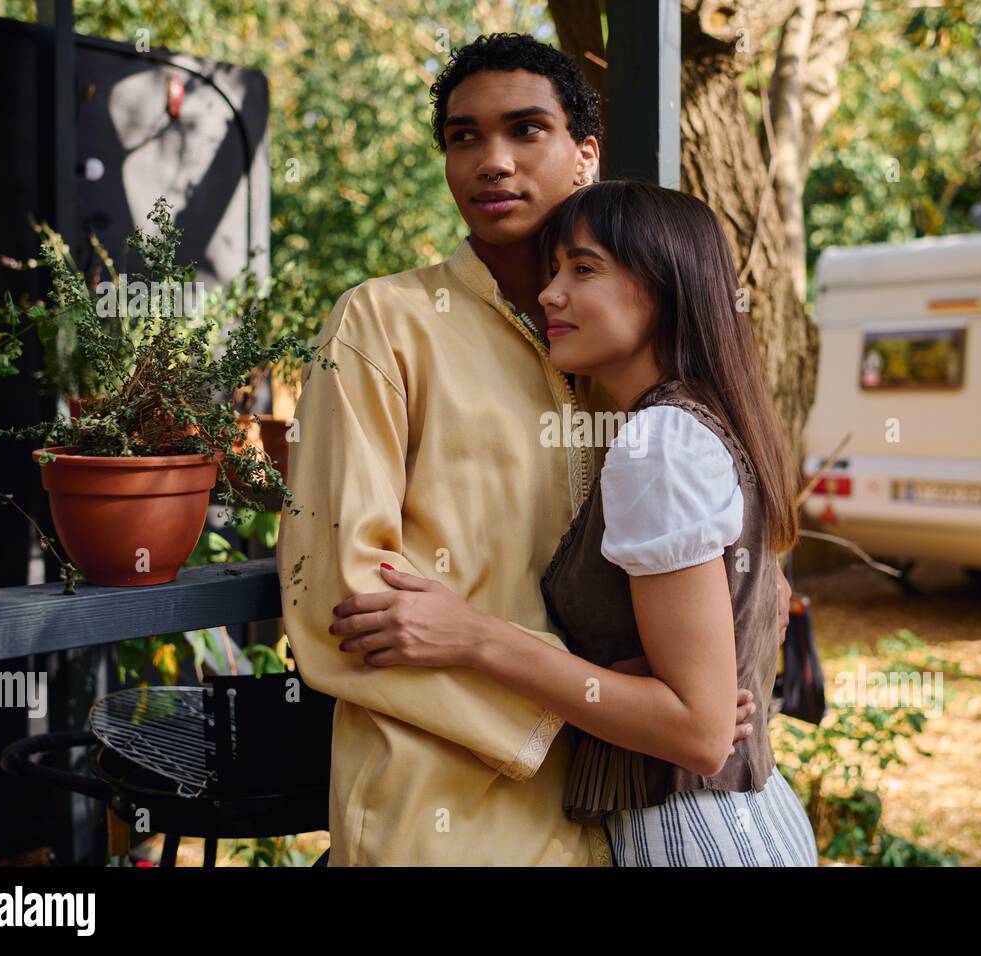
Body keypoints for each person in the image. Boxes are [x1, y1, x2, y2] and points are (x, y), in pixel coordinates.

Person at [278, 34, 786, 866]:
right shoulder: (383, 326)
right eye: (463, 137)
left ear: (585, 154)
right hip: (441, 801)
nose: (491, 161)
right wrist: (604, 707)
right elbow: (341, 596)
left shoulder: (618, 353)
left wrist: (677, 701)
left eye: (525, 130)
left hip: (619, 813)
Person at [334, 180, 818, 867]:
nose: (550, 294)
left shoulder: (656, 444)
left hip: (697, 838)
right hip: (735, 823)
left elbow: (702, 732)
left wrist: (474, 638)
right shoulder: (703, 423)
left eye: (583, 270)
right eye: (553, 270)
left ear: (665, 290)